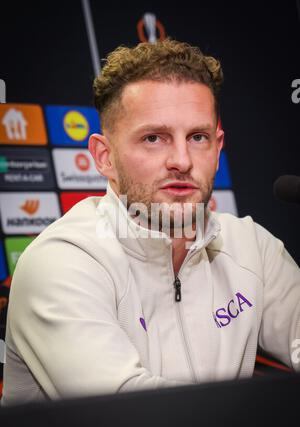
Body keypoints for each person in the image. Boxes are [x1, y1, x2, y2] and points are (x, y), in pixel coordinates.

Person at [2, 39, 300, 406]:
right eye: (154, 138)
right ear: (104, 157)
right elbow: (138, 420)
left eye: (198, 137)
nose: (181, 160)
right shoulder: (62, 262)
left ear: (218, 148)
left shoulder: (252, 247)